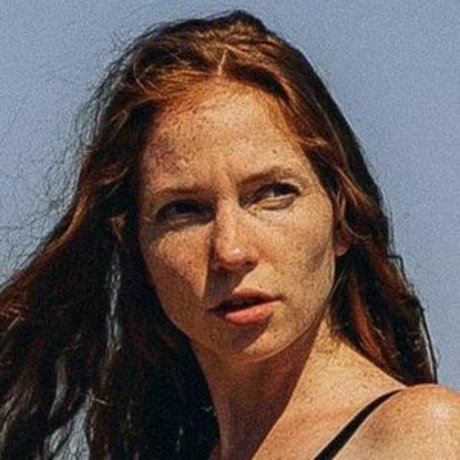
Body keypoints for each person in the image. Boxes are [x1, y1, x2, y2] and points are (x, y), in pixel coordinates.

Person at [0, 10, 459, 459]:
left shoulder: (418, 437)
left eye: (272, 194)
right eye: (184, 209)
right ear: (136, 249)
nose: (231, 250)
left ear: (342, 218)